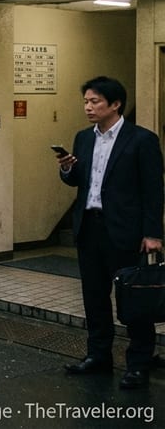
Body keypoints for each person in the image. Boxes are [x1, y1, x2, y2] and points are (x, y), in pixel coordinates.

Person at [57, 76, 162, 390]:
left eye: (95, 101)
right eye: (86, 101)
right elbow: (77, 180)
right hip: (89, 226)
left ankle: (139, 363)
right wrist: (66, 168)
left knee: (134, 300)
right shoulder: (83, 138)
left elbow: (153, 190)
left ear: (115, 104)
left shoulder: (141, 139)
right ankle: (98, 355)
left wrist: (153, 233)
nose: (88, 107)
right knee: (93, 297)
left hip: (126, 231)